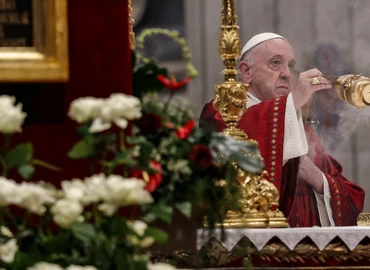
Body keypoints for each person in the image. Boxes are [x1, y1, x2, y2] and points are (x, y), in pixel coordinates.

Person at [200, 32, 365, 227]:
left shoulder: (300, 129)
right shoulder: (221, 113)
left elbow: (351, 199)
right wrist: (293, 101)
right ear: (246, 72)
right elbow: (237, 152)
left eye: (291, 66)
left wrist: (317, 178)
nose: (287, 74)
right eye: (276, 63)